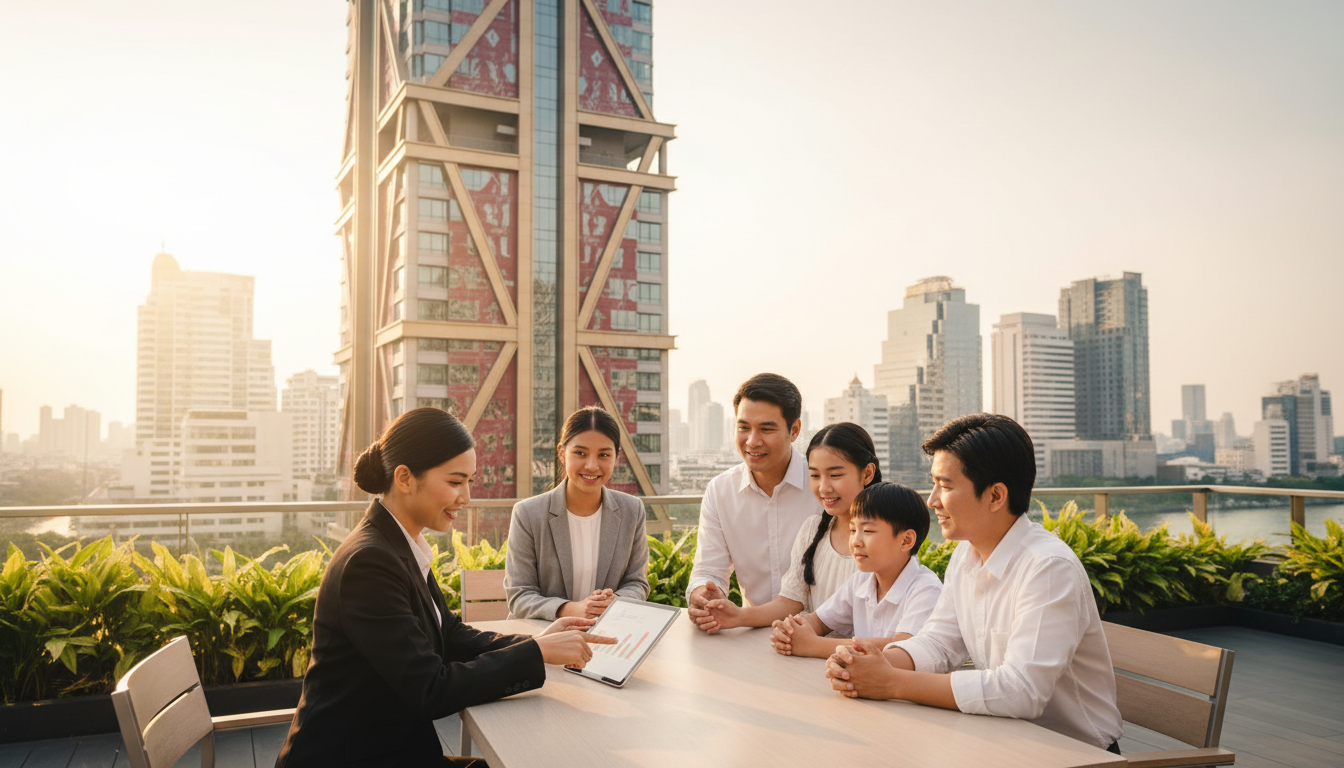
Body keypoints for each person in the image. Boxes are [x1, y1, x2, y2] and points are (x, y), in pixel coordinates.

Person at [275, 408, 615, 767]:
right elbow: (430, 689)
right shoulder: (369, 563)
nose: (465, 497)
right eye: (455, 482)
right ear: (405, 478)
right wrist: (537, 654)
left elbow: (449, 633)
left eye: (469, 481)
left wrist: (539, 643)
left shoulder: (398, 545)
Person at [824, 413, 1124, 753]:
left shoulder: (1048, 568)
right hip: (1002, 739)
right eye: (934, 484)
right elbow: (939, 642)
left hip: (1075, 752)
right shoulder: (965, 556)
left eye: (946, 486)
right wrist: (869, 665)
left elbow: (1021, 691)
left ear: (996, 496)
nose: (932, 500)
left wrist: (892, 682)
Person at [699, 422, 879, 631]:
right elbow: (790, 602)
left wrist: (810, 642)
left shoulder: (888, 537)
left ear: (867, 474)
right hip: (808, 657)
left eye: (835, 475)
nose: (824, 487)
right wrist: (737, 616)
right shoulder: (813, 530)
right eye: (814, 475)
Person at [686, 373, 822, 632]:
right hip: (752, 637)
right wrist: (703, 595)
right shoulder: (720, 491)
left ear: (794, 430)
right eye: (743, 427)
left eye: (766, 429)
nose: (752, 441)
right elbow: (709, 570)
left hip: (818, 637)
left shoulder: (821, 487)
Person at [504, 406, 650, 619]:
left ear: (616, 457)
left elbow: (636, 583)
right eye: (580, 453)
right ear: (562, 454)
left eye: (604, 455)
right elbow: (519, 595)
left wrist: (612, 604)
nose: (592, 465)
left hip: (606, 634)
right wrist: (572, 609)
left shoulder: (632, 510)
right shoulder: (527, 514)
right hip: (544, 638)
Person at [769, 482, 941, 658]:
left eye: (867, 530)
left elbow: (900, 647)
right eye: (853, 529)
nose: (855, 541)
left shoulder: (926, 588)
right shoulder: (861, 580)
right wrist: (790, 631)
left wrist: (813, 645)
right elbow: (818, 621)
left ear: (906, 541)